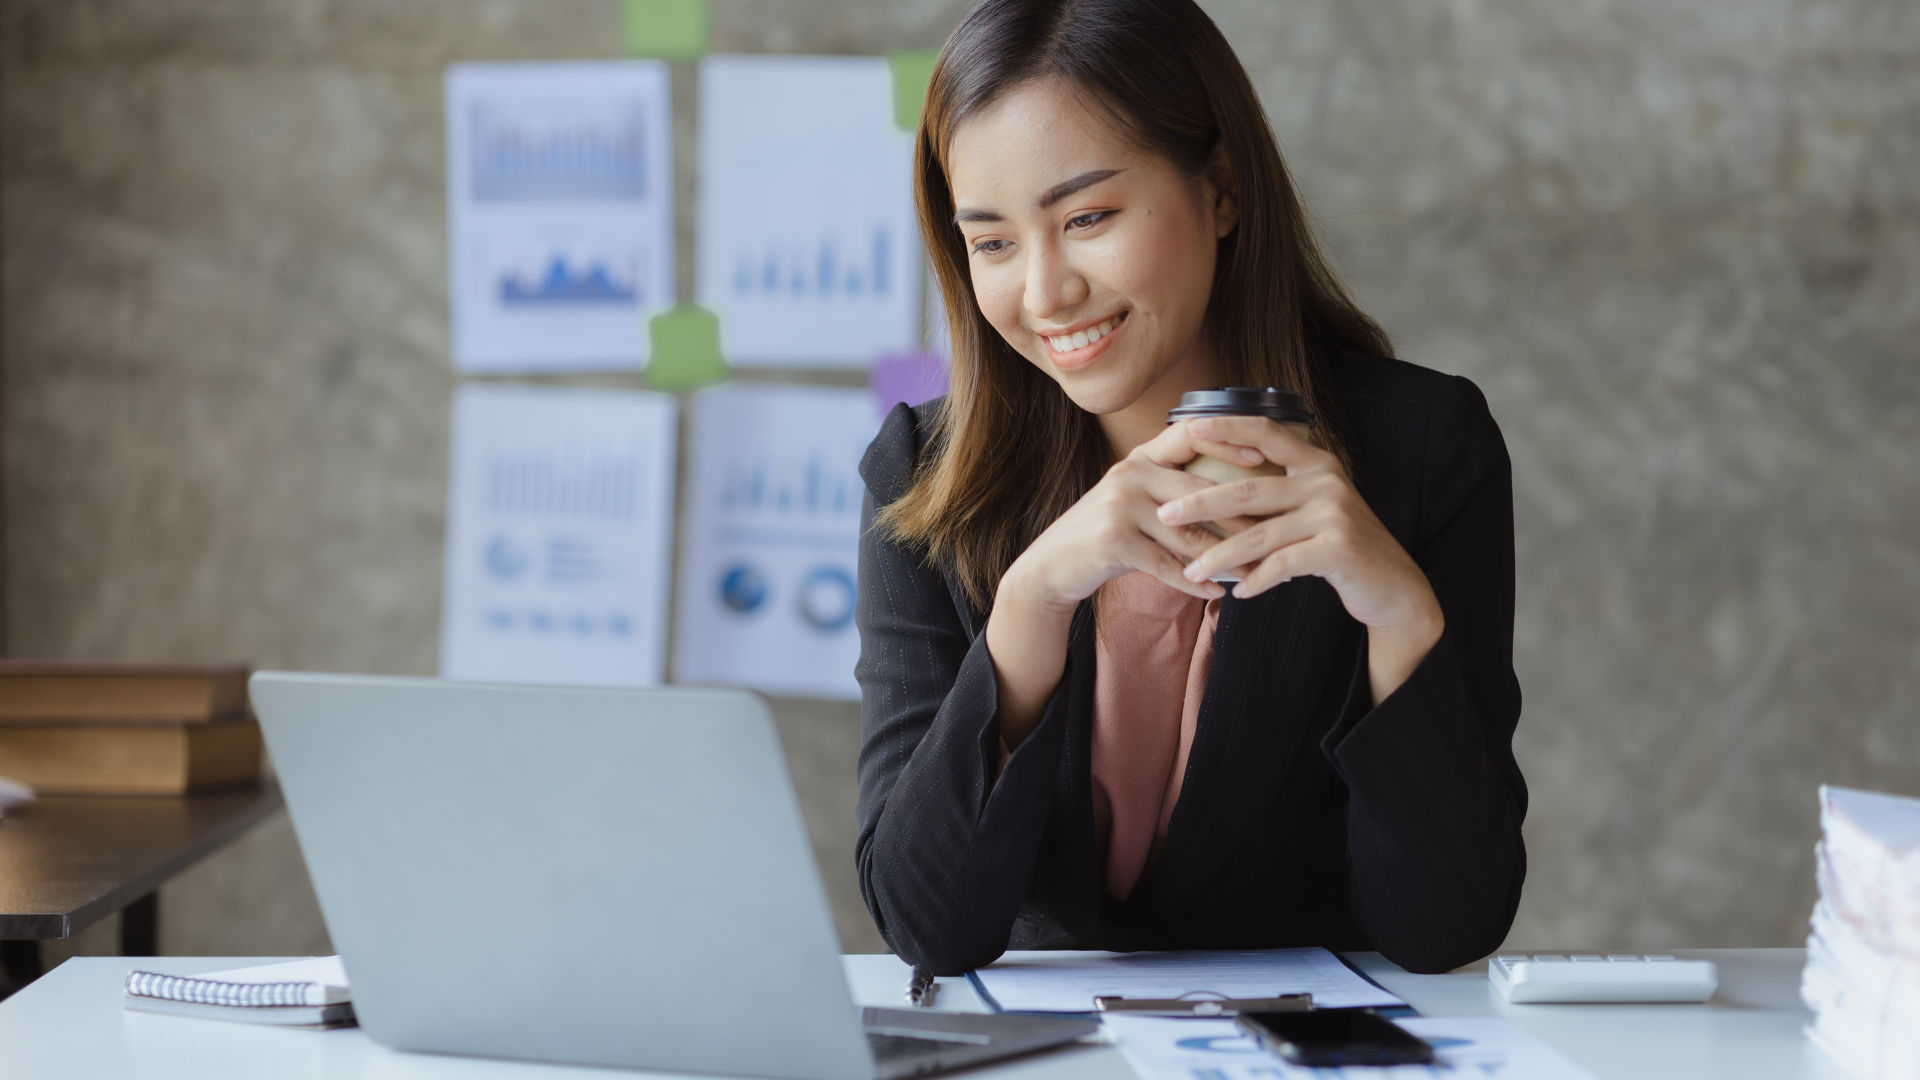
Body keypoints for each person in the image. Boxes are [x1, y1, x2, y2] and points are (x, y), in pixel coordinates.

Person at [854, 0, 1526, 977]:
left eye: (1087, 218)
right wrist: (1032, 604)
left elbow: (1447, 930)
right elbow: (930, 932)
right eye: (993, 243)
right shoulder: (925, 476)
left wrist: (1400, 621)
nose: (1044, 293)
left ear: (1221, 189)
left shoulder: (1421, 452)